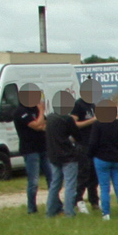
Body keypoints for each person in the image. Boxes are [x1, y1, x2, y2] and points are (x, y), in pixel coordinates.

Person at [90, 99, 118, 220]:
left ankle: (106, 213)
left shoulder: (98, 125)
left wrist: (92, 154)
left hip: (102, 158)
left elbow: (93, 143)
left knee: (104, 187)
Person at [44, 90, 83, 218]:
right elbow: (77, 135)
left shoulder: (50, 118)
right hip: (68, 155)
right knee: (70, 185)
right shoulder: (67, 119)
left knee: (55, 184)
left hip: (53, 155)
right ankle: (69, 211)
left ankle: (50, 211)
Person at [14, 83, 48, 213]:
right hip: (30, 150)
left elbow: (44, 124)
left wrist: (40, 121)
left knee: (52, 178)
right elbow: (36, 125)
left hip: (43, 147)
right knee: (33, 181)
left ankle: (55, 205)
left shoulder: (34, 109)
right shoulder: (20, 111)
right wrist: (41, 111)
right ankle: (32, 208)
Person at [72, 81, 100, 214]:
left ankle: (94, 200)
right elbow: (74, 124)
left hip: (93, 144)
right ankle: (78, 200)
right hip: (82, 144)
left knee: (94, 176)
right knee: (83, 173)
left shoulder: (92, 105)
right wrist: (93, 120)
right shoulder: (78, 105)